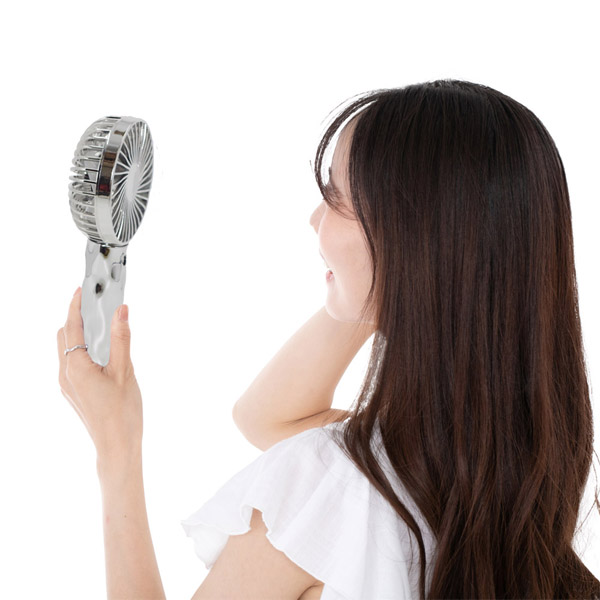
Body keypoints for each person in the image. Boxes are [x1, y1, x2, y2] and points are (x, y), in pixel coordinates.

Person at [58, 79, 600, 599]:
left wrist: (117, 447)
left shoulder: (330, 494)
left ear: (412, 243)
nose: (314, 217)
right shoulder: (513, 493)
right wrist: (397, 289)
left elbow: (276, 429)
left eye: (337, 198)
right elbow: (266, 418)